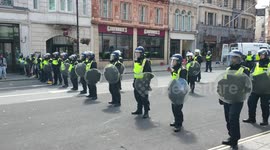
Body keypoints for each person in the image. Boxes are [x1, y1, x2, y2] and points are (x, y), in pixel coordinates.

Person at [219, 50, 250, 150]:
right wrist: (220, 96)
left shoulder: (244, 70)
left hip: (237, 99)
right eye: (232, 57)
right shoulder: (228, 69)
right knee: (228, 118)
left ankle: (235, 140)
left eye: (235, 57)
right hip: (227, 98)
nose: (233, 59)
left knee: (233, 118)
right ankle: (231, 136)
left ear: (239, 59)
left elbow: (248, 86)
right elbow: (222, 82)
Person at [243, 49, 270, 126]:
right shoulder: (257, 64)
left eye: (262, 55)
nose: (261, 56)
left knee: (264, 106)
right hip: (255, 89)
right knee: (250, 103)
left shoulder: (269, 64)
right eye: (260, 55)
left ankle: (265, 120)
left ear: (266, 55)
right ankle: (251, 118)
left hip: (266, 90)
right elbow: (252, 73)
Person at [131, 46, 152, 119]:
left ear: (142, 53)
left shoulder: (146, 61)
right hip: (137, 82)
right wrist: (134, 81)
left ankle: (146, 112)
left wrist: (147, 84)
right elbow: (136, 72)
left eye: (138, 53)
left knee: (144, 98)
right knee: (137, 97)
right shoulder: (136, 61)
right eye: (136, 53)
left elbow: (149, 74)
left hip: (143, 83)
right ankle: (139, 110)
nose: (136, 54)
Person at [170, 54, 187, 132]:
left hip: (180, 93)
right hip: (174, 91)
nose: (172, 62)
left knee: (178, 109)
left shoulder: (182, 70)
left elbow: (183, 82)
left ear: (179, 62)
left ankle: (179, 124)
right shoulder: (175, 69)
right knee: (173, 108)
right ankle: (176, 121)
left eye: (174, 61)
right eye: (172, 60)